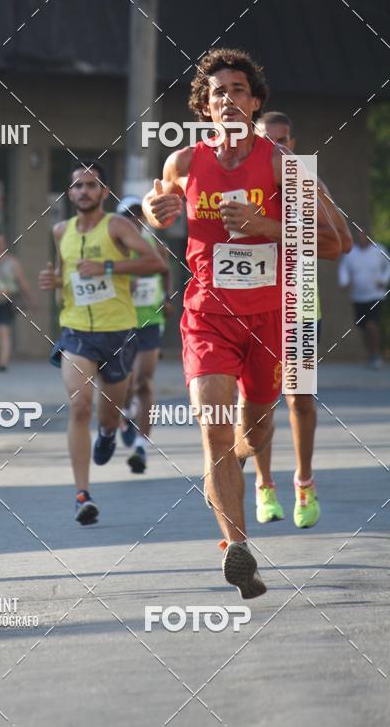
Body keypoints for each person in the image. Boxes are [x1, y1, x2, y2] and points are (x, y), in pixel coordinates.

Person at [143, 48, 344, 598]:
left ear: (255, 103)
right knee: (212, 426)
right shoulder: (184, 163)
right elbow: (161, 203)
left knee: (253, 434)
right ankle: (238, 549)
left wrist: (265, 225)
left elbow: (335, 242)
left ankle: (243, 461)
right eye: (218, 93)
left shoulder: (284, 165)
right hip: (207, 316)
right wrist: (154, 211)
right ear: (204, 108)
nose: (228, 99)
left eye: (238, 90)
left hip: (271, 320)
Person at [38, 162, 165, 525]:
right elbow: (66, 275)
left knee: (109, 413)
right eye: (77, 186)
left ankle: (109, 432)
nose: (84, 191)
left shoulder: (119, 226)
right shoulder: (60, 231)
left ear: (104, 192)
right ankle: (82, 495)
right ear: (70, 193)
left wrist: (108, 268)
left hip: (118, 332)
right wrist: (54, 280)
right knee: (80, 406)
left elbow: (154, 263)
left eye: (91, 185)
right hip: (76, 332)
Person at [252, 112, 352, 528]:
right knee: (258, 403)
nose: (277, 146)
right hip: (253, 304)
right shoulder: (243, 183)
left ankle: (304, 482)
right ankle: (263, 484)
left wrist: (272, 228)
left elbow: (339, 243)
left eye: (283, 139)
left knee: (300, 398)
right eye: (267, 139)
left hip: (300, 303)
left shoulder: (308, 183)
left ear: (293, 144)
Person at [116, 196, 174, 474]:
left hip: (151, 320)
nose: (134, 220)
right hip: (122, 321)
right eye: (128, 215)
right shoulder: (115, 246)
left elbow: (166, 271)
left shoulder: (154, 244)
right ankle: (126, 413)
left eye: (138, 215)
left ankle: (141, 446)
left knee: (144, 381)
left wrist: (167, 297)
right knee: (126, 382)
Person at [339, 230, 390, 369]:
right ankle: (371, 354)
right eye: (359, 236)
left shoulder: (379, 250)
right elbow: (344, 269)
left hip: (375, 295)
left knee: (371, 324)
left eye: (363, 236)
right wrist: (344, 282)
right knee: (362, 326)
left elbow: (388, 266)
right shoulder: (351, 253)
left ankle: (376, 355)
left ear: (369, 237)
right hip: (358, 296)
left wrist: (383, 280)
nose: (361, 239)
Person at [0, 231, 36, 371]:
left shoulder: (12, 262)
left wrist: (31, 299)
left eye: (3, 243)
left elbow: (22, 282)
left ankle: (3, 363)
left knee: (3, 330)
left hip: (6, 300)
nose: (0, 246)